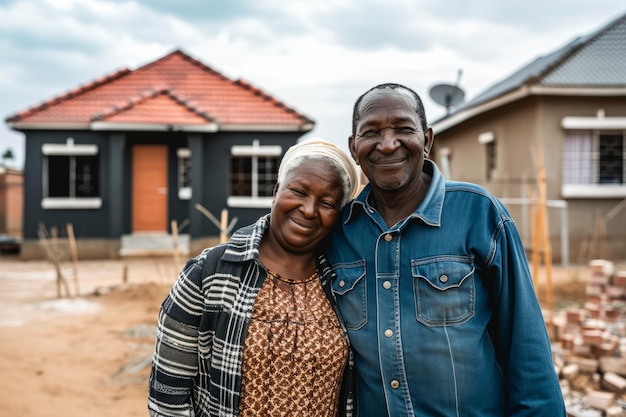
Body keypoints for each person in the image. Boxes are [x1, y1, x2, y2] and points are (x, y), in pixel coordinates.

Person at [325, 83, 566, 416]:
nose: (388, 143)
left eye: (403, 129)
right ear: (354, 147)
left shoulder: (478, 213)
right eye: (372, 132)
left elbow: (527, 349)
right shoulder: (339, 233)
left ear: (427, 139)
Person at [148, 138, 360, 417]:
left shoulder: (345, 284)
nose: (309, 210)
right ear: (276, 191)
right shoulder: (208, 273)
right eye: (298, 191)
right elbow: (167, 398)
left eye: (327, 203)